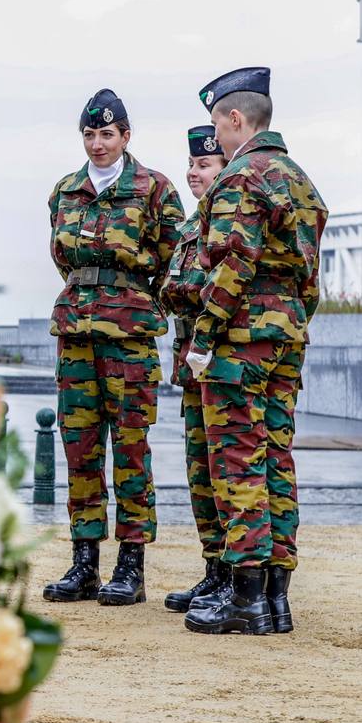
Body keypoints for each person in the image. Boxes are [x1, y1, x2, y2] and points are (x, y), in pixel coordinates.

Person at [183, 67, 327, 636]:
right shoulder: (302, 181)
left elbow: (232, 263)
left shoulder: (241, 178)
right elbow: (310, 278)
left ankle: (245, 600)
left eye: (217, 125)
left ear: (235, 119)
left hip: (239, 341)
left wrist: (204, 336)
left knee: (237, 461)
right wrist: (292, 324)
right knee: (275, 459)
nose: (214, 137)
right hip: (286, 338)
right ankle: (276, 598)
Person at [42, 89, 183, 607]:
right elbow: (63, 257)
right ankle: (84, 562)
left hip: (129, 340)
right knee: (79, 449)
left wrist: (138, 302)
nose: (97, 143)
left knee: (129, 450)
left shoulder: (154, 189)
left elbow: (174, 259)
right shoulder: (65, 191)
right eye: (89, 134)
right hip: (76, 334)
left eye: (107, 134)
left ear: (126, 136)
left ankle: (130, 565)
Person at [161, 126, 230, 612]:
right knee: (200, 472)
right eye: (192, 164)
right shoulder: (191, 224)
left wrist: (183, 289)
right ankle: (214, 569)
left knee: (230, 472)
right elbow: (174, 284)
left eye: (204, 164)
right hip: (191, 367)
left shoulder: (226, 221)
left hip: (222, 363)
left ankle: (237, 573)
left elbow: (201, 286)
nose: (193, 172)